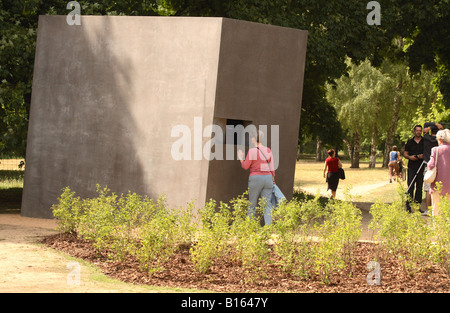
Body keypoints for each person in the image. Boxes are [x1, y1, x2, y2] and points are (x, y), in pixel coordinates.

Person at [237, 130, 275, 225]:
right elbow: (272, 167)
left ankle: (250, 228)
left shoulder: (252, 151)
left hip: (256, 178)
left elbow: (245, 166)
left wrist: (241, 158)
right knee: (267, 205)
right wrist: (273, 179)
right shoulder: (268, 150)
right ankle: (269, 228)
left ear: (254, 138)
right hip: (268, 178)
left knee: (252, 204)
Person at [427, 129, 450, 217]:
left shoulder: (435, 150)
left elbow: (431, 165)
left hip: (437, 184)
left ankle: (437, 229)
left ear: (439, 139)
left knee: (436, 210)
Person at [422, 123, 442, 213]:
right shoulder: (440, 141)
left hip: (428, 165)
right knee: (439, 187)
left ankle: (427, 209)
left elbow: (426, 124)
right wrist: (438, 125)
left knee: (427, 189)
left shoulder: (425, 137)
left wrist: (432, 125)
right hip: (439, 166)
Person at [404, 125, 425, 206]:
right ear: (414, 131)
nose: (418, 132)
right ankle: (408, 205)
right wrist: (410, 157)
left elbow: (428, 152)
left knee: (419, 187)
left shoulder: (424, 141)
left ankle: (417, 206)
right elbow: (405, 153)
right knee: (410, 185)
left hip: (421, 167)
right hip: (411, 167)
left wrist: (422, 156)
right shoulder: (410, 142)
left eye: (420, 130)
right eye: (417, 130)